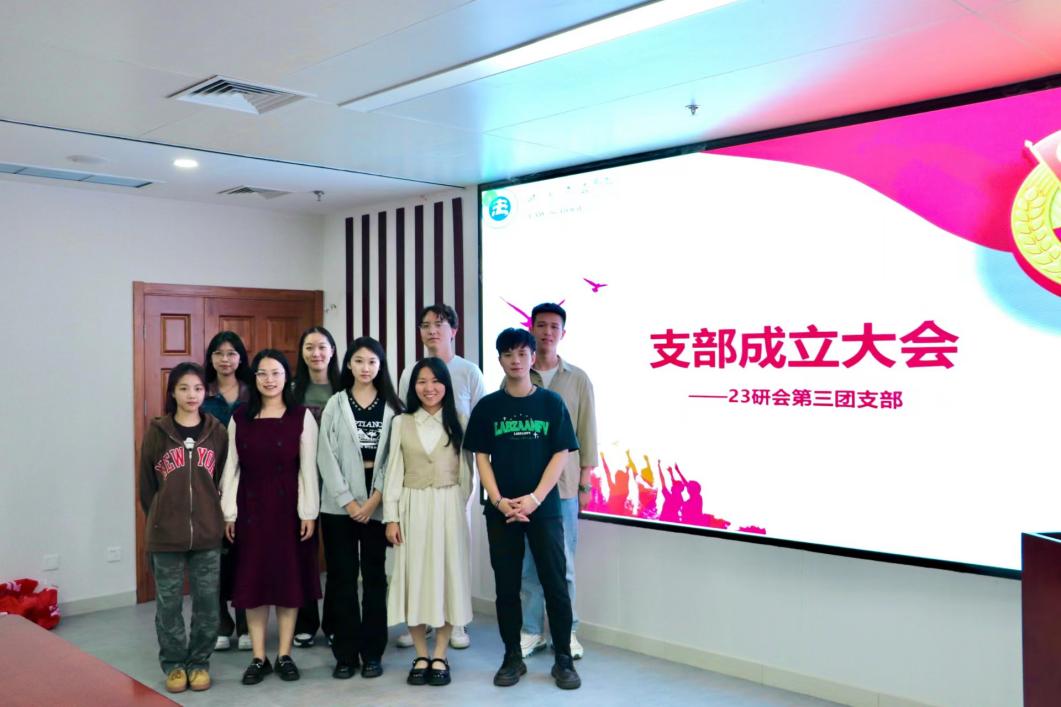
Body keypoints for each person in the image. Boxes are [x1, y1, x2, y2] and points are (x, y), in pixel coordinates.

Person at [464, 328, 582, 690]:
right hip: (502, 511)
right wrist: (499, 500)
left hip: (543, 509)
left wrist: (535, 498)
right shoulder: (488, 407)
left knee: (555, 583)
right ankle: (512, 657)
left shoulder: (551, 403)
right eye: (507, 354)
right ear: (500, 360)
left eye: (521, 354)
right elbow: (480, 457)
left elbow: (561, 454)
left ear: (532, 357)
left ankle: (563, 659)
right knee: (506, 586)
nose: (515, 361)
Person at [219, 350, 321, 685]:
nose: (269, 380)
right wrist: (229, 513)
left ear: (286, 377)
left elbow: (308, 469)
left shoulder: (301, 416)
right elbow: (231, 468)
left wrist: (309, 512)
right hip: (250, 510)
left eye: (276, 373)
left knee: (288, 584)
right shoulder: (240, 417)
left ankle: (285, 655)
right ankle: (259, 657)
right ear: (254, 378)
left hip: (289, 510)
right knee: (254, 584)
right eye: (262, 373)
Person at [396, 303, 484, 649]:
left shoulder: (469, 371)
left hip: (456, 477)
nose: (432, 330)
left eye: (439, 324)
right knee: (418, 552)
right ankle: (420, 620)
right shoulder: (410, 372)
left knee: (453, 551)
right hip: (418, 478)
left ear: (454, 331)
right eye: (425, 325)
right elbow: (408, 419)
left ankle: (456, 622)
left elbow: (480, 425)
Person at [383, 358, 474, 687]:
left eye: (436, 381)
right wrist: (392, 517)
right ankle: (421, 654)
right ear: (413, 387)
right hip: (412, 507)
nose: (429, 388)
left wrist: (459, 505)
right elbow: (393, 471)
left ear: (446, 385)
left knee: (447, 579)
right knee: (414, 580)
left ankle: (440, 654)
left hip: (448, 507)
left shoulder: (459, 420)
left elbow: (467, 472)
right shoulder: (401, 422)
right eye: (422, 381)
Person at [139, 362, 228, 693]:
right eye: (184, 388)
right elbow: (147, 487)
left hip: (207, 534)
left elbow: (222, 480)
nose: (192, 395)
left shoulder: (217, 432)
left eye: (198, 388)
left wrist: (212, 516)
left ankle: (199, 662)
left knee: (207, 603)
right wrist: (161, 516)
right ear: (173, 393)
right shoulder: (157, 432)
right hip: (166, 536)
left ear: (205, 392)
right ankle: (175, 664)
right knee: (169, 604)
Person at [317, 337, 402, 679]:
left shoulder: (392, 407)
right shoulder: (335, 404)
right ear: (349, 364)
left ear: (380, 366)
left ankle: (372, 653)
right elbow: (325, 456)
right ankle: (345, 654)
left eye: (372, 362)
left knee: (375, 578)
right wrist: (349, 501)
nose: (366, 368)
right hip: (338, 507)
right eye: (359, 361)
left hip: (377, 505)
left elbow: (394, 458)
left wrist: (374, 499)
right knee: (342, 578)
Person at [519, 303, 598, 661]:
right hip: (525, 487)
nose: (547, 332)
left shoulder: (577, 378)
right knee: (529, 565)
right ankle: (531, 631)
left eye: (554, 326)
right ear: (532, 330)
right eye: (541, 325)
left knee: (563, 564)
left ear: (563, 333)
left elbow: (587, 431)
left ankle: (566, 631)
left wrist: (585, 482)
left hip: (564, 487)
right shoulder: (519, 374)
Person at [290, 326, 342, 649]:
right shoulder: (292, 390)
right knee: (303, 556)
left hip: (338, 485)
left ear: (333, 351)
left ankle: (335, 622)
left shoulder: (344, 387)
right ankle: (305, 622)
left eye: (322, 346)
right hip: (301, 482)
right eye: (309, 347)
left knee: (337, 558)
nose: (316, 353)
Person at [202, 331, 252, 652]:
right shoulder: (202, 393)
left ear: (241, 358)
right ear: (211, 358)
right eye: (219, 353)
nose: (225, 359)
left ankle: (246, 622)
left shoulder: (253, 392)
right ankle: (222, 623)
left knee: (246, 556)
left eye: (232, 353)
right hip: (209, 484)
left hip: (249, 483)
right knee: (215, 557)